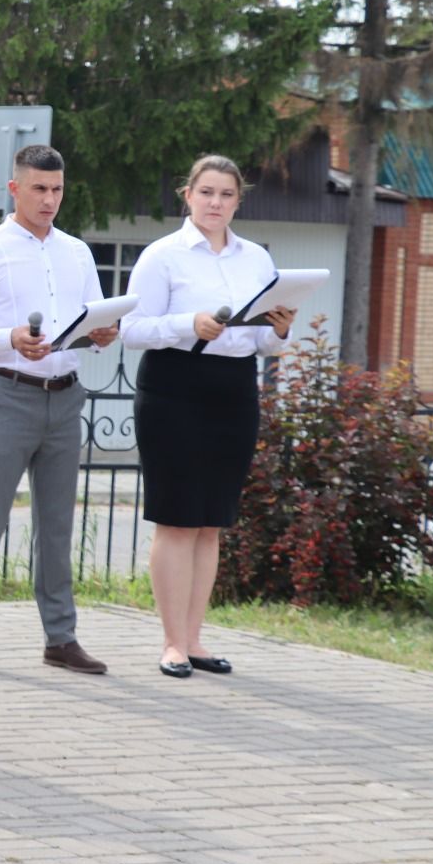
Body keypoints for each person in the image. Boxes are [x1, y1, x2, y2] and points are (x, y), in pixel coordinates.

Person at [0, 144, 117, 677]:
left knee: (58, 525)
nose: (49, 199)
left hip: (65, 397)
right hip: (8, 395)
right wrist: (10, 338)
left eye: (57, 189)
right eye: (39, 188)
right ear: (13, 189)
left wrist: (102, 334)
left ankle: (60, 638)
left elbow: (84, 325)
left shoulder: (78, 253)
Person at [121, 154, 295, 678]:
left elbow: (264, 341)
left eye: (226, 195)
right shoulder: (162, 256)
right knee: (176, 519)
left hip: (233, 392)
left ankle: (196, 639)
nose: (215, 202)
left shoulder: (256, 261)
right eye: (206, 193)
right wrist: (186, 324)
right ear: (187, 195)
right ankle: (172, 643)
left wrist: (281, 329)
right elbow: (132, 330)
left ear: (238, 201)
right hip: (174, 387)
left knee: (211, 523)